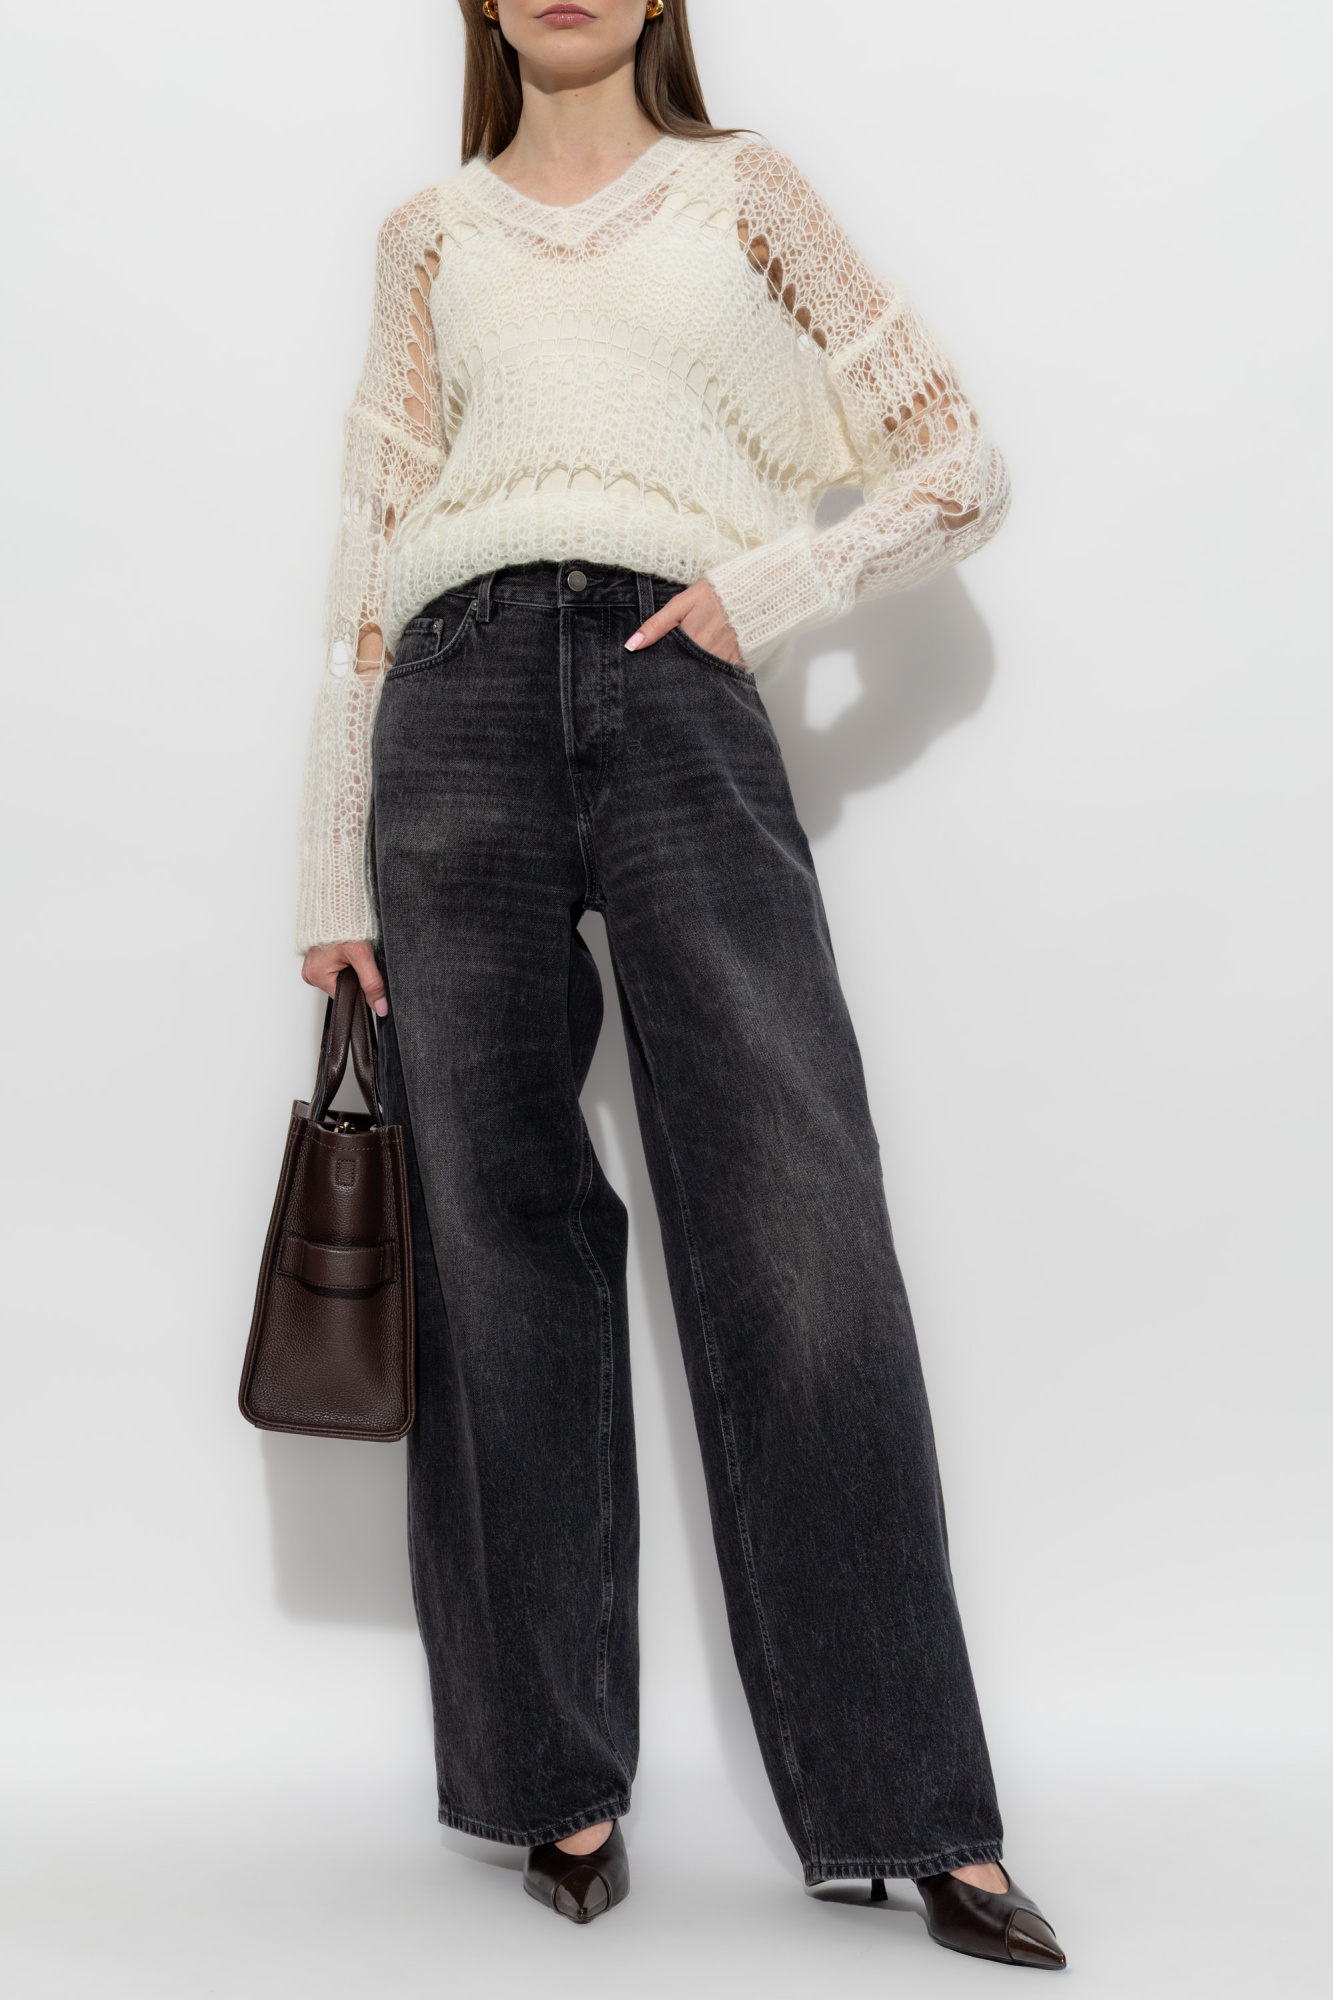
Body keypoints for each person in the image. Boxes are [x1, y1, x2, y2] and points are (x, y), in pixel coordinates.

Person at [296, 0, 1065, 1969]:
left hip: (677, 694)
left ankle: (912, 1806)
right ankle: (551, 1778)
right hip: (449, 709)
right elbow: (370, 560)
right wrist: (328, 858)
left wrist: (765, 594)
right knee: (497, 1235)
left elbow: (957, 464)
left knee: (796, 1221)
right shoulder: (429, 237)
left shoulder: (747, 195)